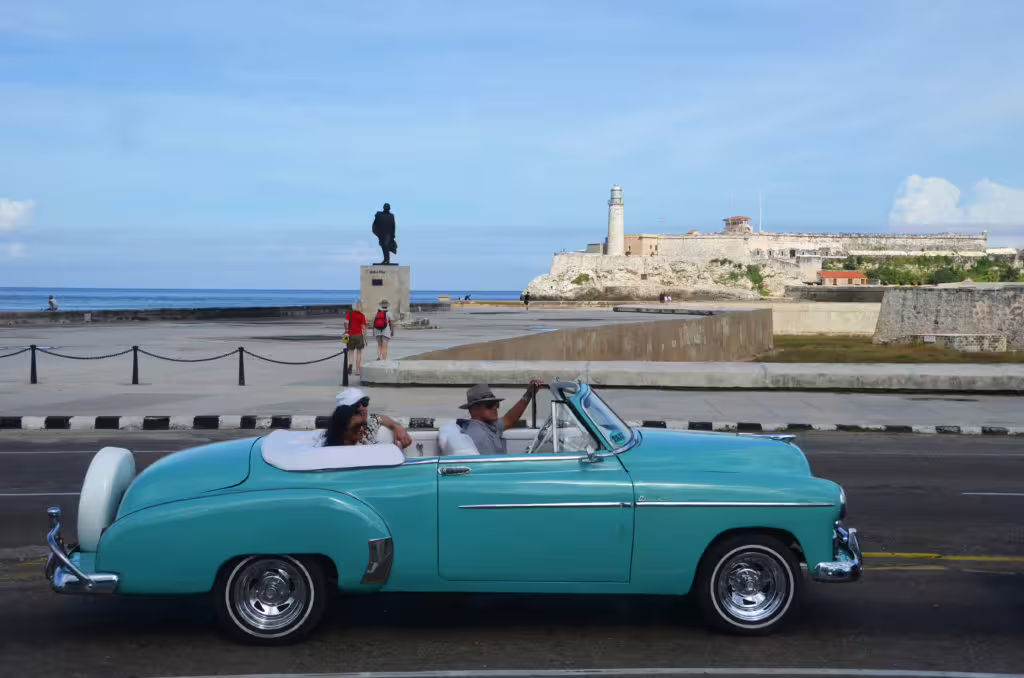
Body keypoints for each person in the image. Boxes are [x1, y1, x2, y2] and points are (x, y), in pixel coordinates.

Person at [459, 380, 544, 455]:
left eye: (496, 404)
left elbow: (509, 419)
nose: (495, 408)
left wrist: (528, 394)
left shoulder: (488, 425)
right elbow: (492, 466)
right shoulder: (480, 435)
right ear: (474, 409)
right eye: (489, 405)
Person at [336, 387, 413, 449]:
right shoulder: (336, 443)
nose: (363, 408)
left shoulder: (370, 425)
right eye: (356, 406)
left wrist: (396, 426)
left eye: (364, 403)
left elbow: (379, 418)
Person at [344, 300, 367, 376]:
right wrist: (365, 338)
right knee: (359, 353)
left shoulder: (350, 314)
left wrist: (347, 330)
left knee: (351, 352)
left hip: (350, 335)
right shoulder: (362, 315)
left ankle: (350, 364)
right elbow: (363, 328)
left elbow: (346, 322)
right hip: (359, 336)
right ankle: (357, 370)